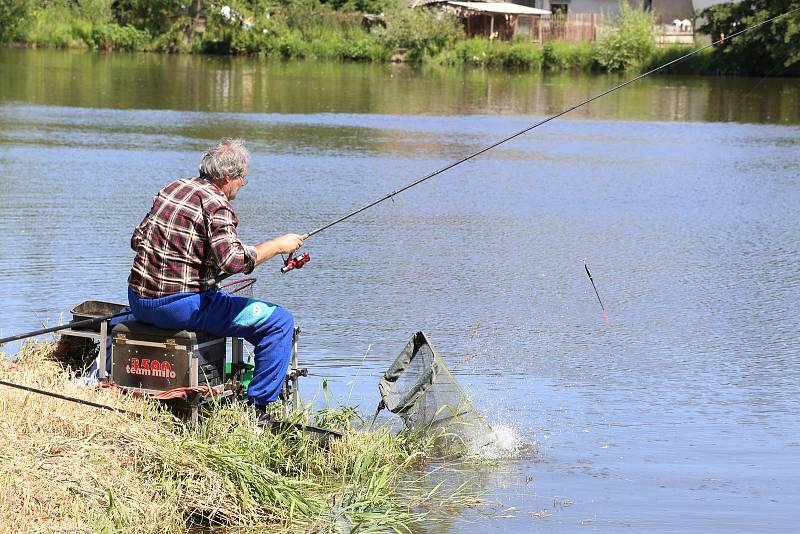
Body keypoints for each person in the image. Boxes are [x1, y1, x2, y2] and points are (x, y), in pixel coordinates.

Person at [126, 138, 304, 419]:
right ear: (228, 177)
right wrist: (278, 245)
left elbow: (137, 241)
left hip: (138, 301)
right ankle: (258, 410)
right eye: (243, 178)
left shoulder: (173, 189)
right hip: (179, 308)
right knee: (279, 322)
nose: (243, 184)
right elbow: (232, 261)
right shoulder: (217, 206)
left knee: (221, 298)